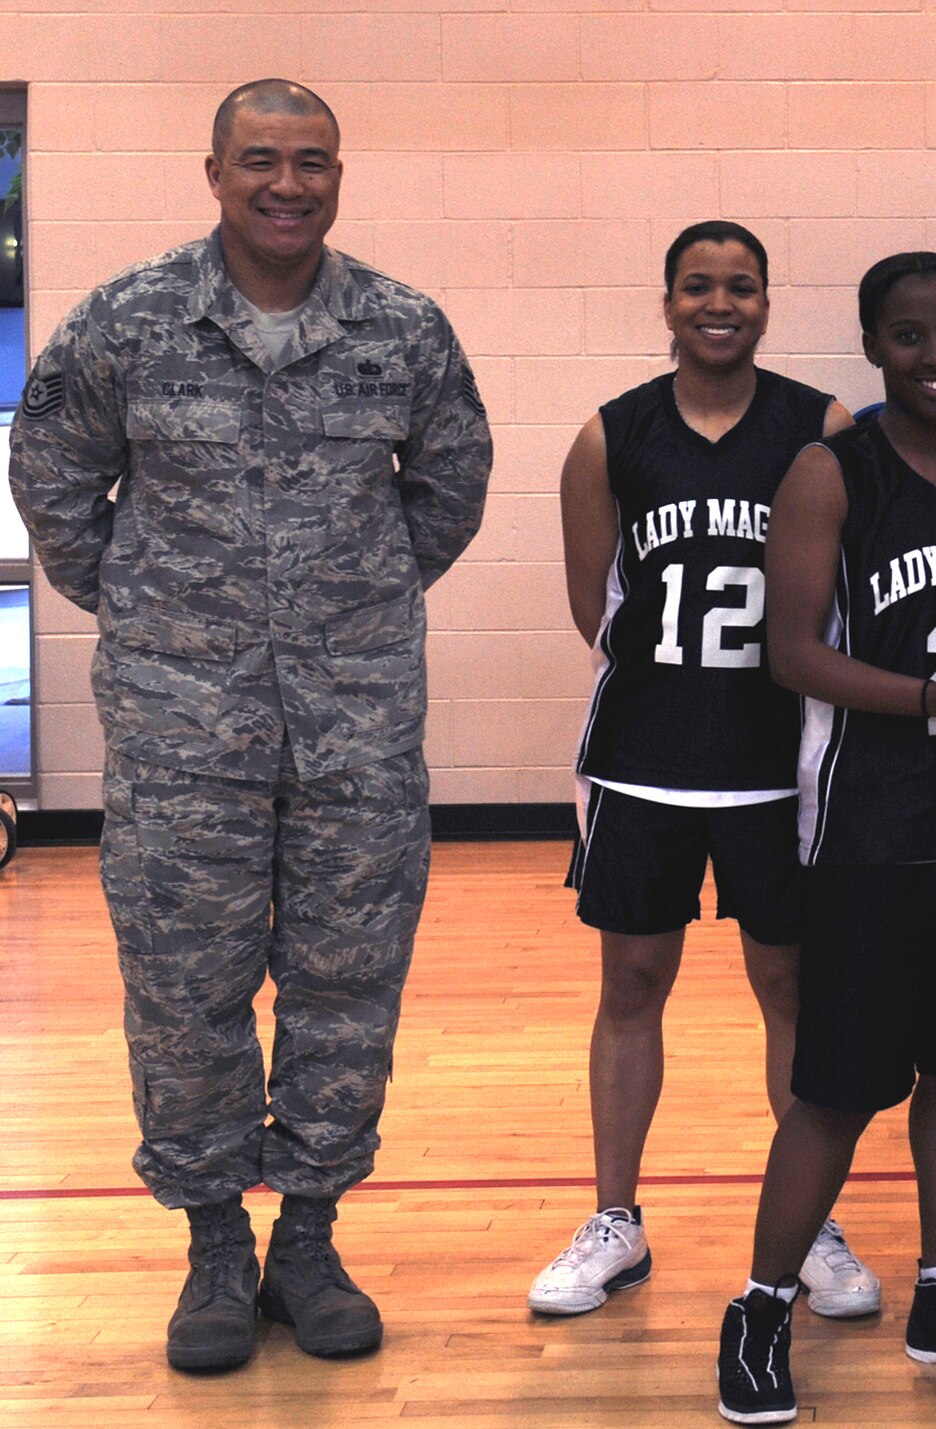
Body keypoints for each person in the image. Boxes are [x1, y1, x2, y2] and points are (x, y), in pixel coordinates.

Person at [6, 79, 491, 1370]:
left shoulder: (402, 328)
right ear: (214, 172)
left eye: (312, 161)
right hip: (179, 732)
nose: (288, 184)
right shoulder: (128, 320)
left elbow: (449, 488)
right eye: (261, 159)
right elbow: (52, 477)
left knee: (348, 983)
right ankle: (216, 1244)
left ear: (340, 175)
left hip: (356, 729)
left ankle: (311, 1239)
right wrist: (151, 603)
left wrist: (352, 605)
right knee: (184, 991)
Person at [713, 252, 936, 1425]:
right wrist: (935, 701)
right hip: (870, 824)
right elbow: (791, 654)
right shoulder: (830, 471)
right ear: (873, 346)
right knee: (837, 1087)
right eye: (909, 336)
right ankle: (761, 1306)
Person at [528, 222, 880, 1321]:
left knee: (791, 990)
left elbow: (843, 592)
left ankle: (809, 1222)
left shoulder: (819, 425)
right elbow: (596, 608)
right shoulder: (611, 433)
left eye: (740, 287)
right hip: (646, 757)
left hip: (781, 759)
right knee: (632, 985)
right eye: (696, 286)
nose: (718, 304)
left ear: (766, 302)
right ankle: (615, 1220)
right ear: (667, 301)